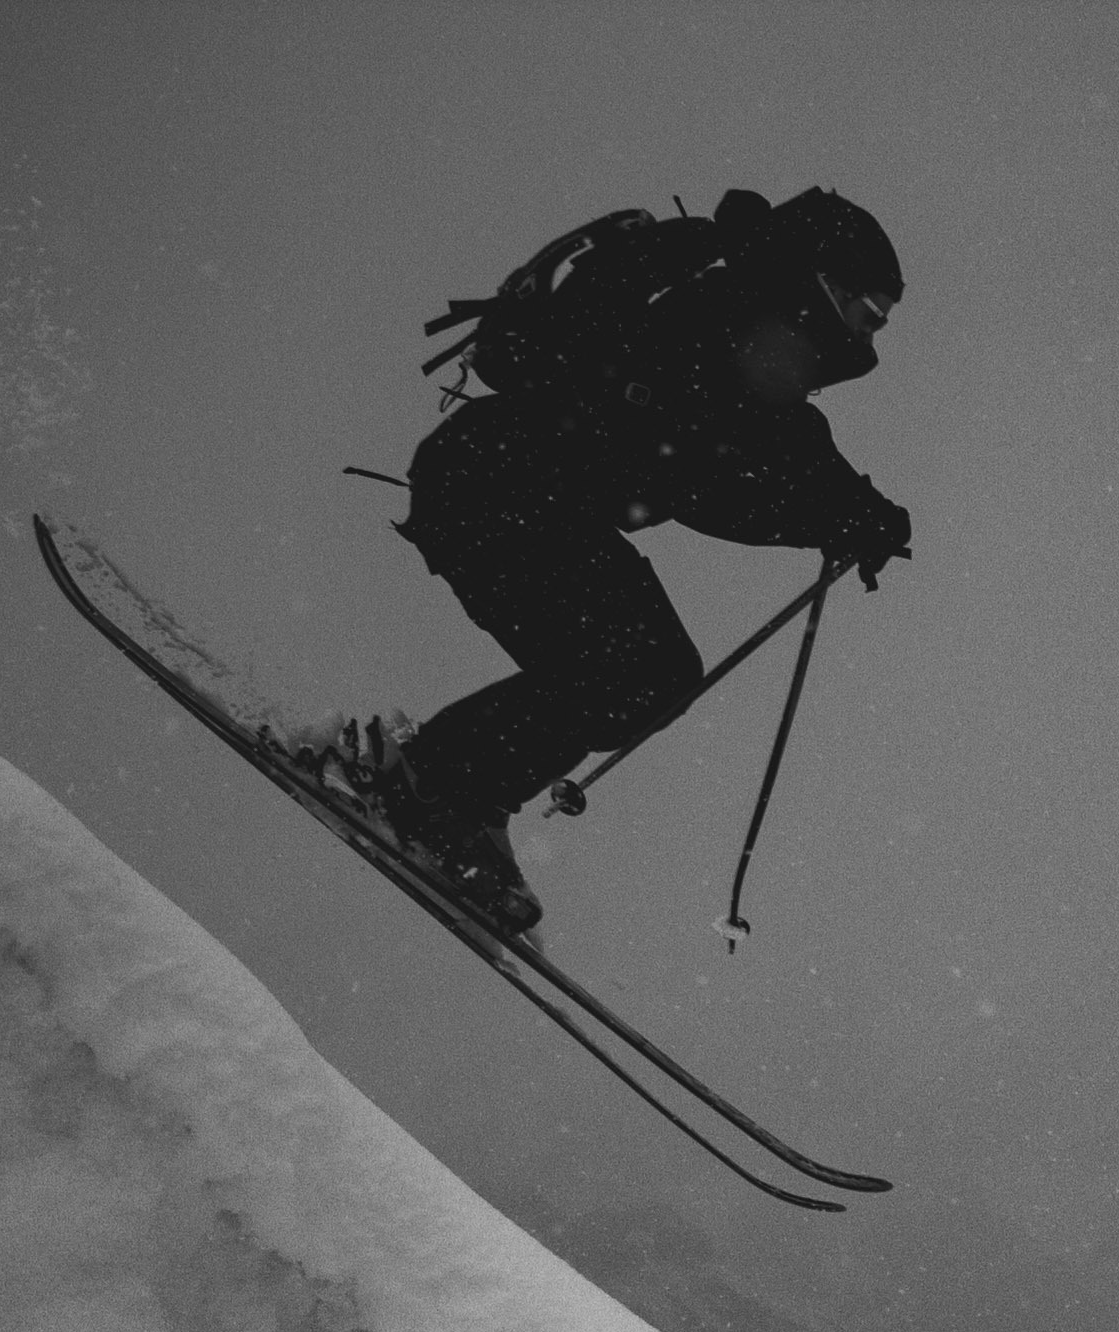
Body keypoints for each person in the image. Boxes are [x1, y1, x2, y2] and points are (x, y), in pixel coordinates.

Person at [311, 188, 913, 936]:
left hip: (506, 486)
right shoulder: (734, 326)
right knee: (639, 672)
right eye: (870, 309)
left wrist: (847, 511)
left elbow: (747, 462)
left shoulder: (743, 335)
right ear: (823, 283)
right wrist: (844, 512)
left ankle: (439, 786)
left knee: (642, 673)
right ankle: (432, 789)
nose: (873, 332)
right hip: (502, 485)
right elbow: (731, 472)